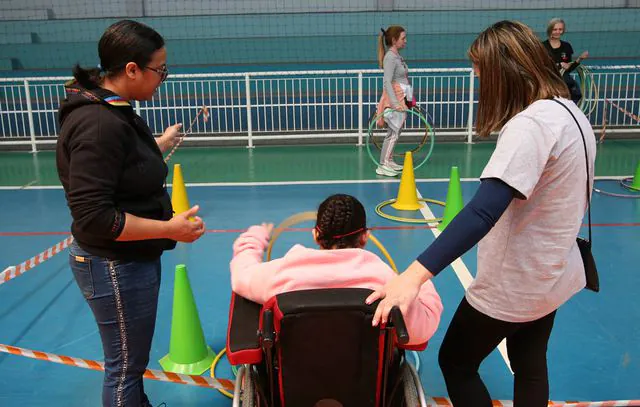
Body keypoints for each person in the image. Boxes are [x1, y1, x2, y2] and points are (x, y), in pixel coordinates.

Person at [367, 21, 596, 407]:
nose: (478, 80)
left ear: (505, 70)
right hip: (552, 276)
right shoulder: (570, 114)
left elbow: (482, 211)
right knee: (530, 364)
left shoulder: (531, 125)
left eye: (481, 72)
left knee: (456, 362)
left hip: (515, 283)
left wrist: (412, 278)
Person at [56, 20, 206, 407]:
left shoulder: (112, 108)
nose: (163, 78)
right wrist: (169, 227)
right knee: (124, 369)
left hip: (128, 259)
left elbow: (121, 164)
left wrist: (157, 143)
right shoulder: (98, 122)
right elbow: (96, 217)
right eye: (159, 70)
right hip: (113, 264)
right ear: (131, 69)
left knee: (129, 364)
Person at [230, 194, 442, 345]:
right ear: (365, 237)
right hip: (364, 379)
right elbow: (421, 331)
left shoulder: (284, 273)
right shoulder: (383, 280)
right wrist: (417, 280)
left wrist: (256, 236)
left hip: (297, 375)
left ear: (315, 235)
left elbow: (242, 275)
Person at [375, 25, 413, 177]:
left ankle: (389, 160)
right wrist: (395, 103)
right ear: (394, 40)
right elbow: (387, 82)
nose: (406, 41)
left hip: (401, 97)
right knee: (393, 133)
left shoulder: (397, 56)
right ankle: (383, 164)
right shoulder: (390, 57)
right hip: (395, 99)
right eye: (403, 38)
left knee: (395, 132)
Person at [543, 18, 589, 104]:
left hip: (564, 82)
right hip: (549, 83)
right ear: (550, 30)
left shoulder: (566, 46)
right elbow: (542, 67)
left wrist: (579, 59)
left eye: (560, 29)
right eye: (555, 29)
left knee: (576, 94)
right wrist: (559, 65)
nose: (558, 32)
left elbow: (568, 69)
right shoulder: (542, 46)